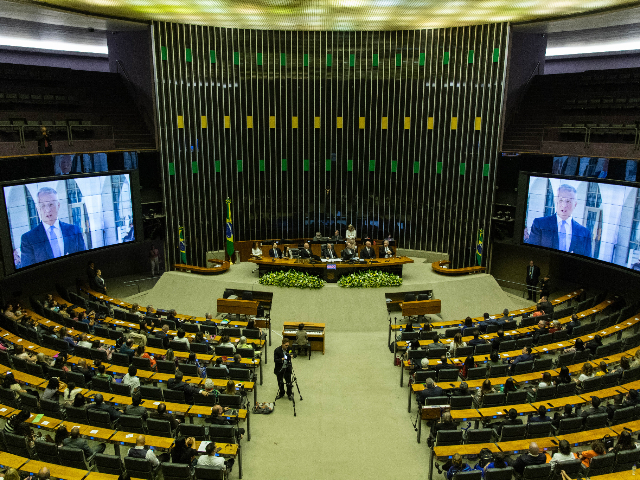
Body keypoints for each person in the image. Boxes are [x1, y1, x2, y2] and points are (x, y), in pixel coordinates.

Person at [19, 186, 87, 267]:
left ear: (58, 205)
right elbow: (28, 271)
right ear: (37, 208)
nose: (47, 210)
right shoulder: (28, 239)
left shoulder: (74, 230)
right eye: (43, 206)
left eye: (51, 204)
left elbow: (84, 260)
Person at [526, 183, 592, 257]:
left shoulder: (585, 233)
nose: (564, 205)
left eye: (568, 201)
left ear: (575, 204)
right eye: (561, 200)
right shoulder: (539, 224)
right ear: (555, 201)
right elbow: (531, 253)